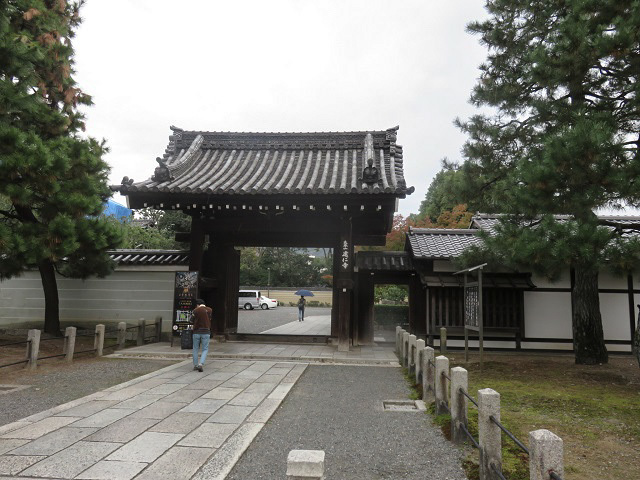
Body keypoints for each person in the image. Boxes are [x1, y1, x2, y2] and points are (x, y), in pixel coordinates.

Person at [192, 298, 212, 372]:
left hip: (196, 332)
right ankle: (201, 364)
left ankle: (195, 365)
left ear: (197, 304)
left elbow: (191, 320)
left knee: (195, 348)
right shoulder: (209, 310)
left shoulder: (195, 310)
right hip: (206, 332)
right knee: (205, 349)